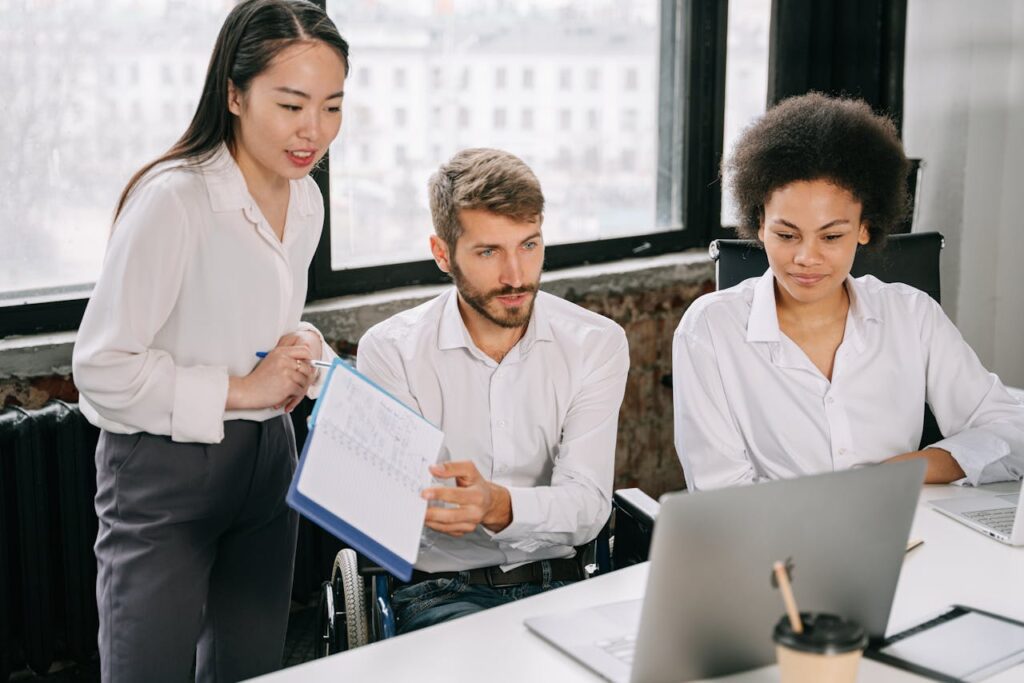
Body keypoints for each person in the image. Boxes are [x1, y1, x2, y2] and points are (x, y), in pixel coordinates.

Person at [71, 2, 348, 680]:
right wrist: (243, 388)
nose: (313, 130)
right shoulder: (173, 201)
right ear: (233, 92)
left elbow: (260, 321)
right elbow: (101, 367)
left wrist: (300, 346)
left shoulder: (304, 196)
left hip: (267, 464)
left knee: (249, 668)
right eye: (291, 105)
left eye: (333, 106)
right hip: (163, 473)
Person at [673, 92, 1024, 492]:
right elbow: (719, 491)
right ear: (759, 224)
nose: (806, 257)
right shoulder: (710, 330)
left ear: (864, 228)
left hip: (904, 535)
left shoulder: (911, 315)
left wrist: (901, 472)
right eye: (787, 234)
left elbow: (1010, 429)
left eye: (831, 235)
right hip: (775, 546)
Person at [355, 148, 630, 634]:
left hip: (565, 584)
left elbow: (588, 507)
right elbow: (393, 510)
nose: (516, 276)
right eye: (489, 252)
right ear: (443, 253)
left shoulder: (596, 344)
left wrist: (497, 505)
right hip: (442, 591)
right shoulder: (392, 351)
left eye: (529, 245)